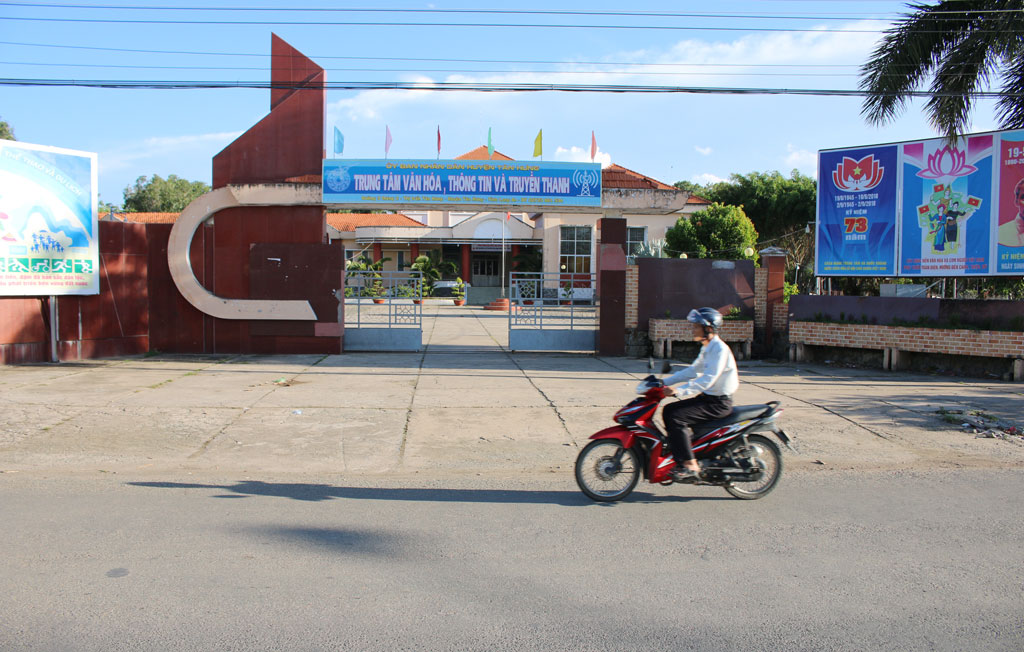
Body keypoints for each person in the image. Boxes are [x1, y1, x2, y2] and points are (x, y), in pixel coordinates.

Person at [658, 307, 739, 482]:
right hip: (709, 398)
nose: (693, 330)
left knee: (677, 416)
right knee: (669, 410)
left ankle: (690, 464)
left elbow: (708, 379)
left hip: (718, 403)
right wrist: (665, 383)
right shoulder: (708, 347)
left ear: (708, 329)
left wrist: (679, 391)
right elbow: (693, 371)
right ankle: (684, 453)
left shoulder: (719, 349)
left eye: (696, 327)